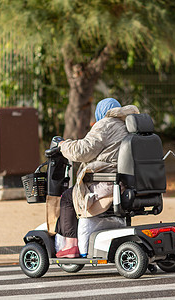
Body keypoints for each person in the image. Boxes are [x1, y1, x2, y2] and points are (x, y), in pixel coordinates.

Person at [55, 98, 140, 258]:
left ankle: (70, 245)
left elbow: (83, 150)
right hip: (126, 182)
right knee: (72, 195)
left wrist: (63, 145)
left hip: (108, 182)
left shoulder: (106, 124)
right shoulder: (128, 126)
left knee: (68, 197)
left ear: (102, 112)